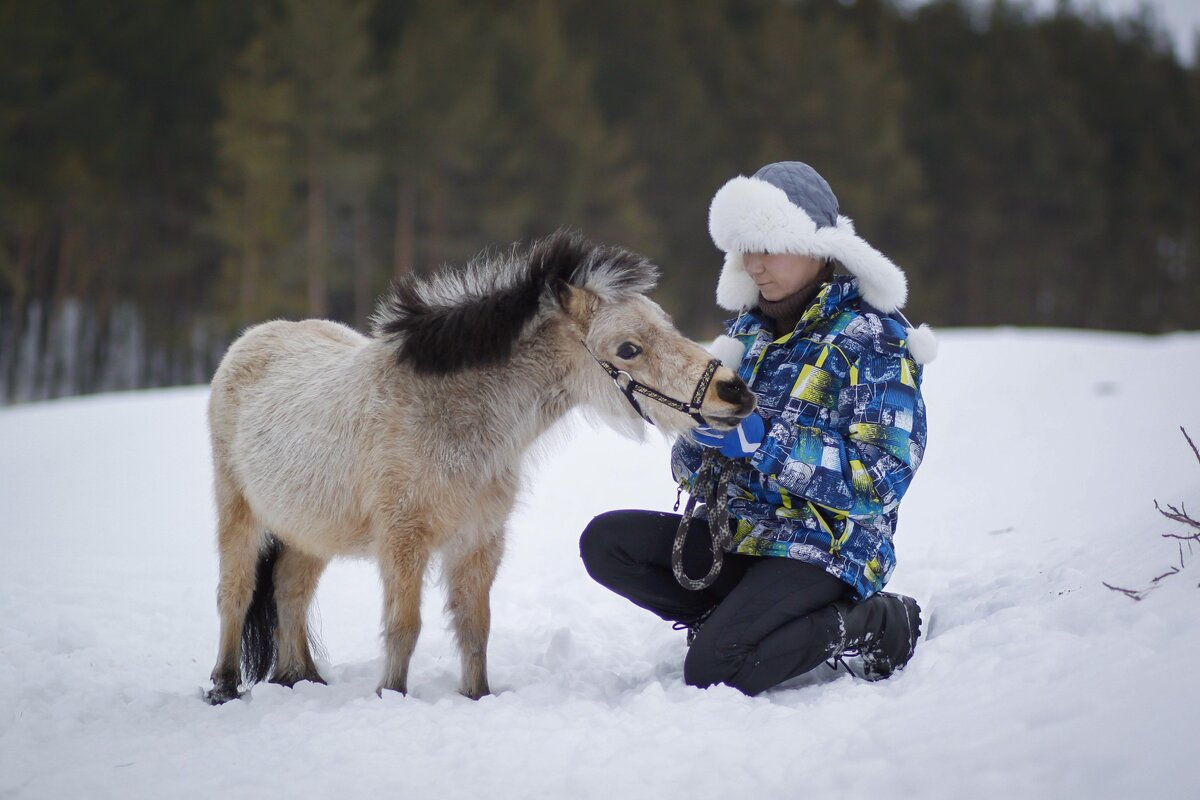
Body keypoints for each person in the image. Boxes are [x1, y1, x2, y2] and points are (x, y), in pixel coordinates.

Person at [579, 161, 935, 696]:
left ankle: (873, 622)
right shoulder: (747, 335)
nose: (755, 264)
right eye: (745, 248)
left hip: (824, 549)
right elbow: (688, 472)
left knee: (713, 670)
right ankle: (742, 618)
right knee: (607, 543)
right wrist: (696, 440)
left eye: (768, 246)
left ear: (816, 245)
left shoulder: (873, 339)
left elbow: (880, 481)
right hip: (739, 538)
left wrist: (764, 443)